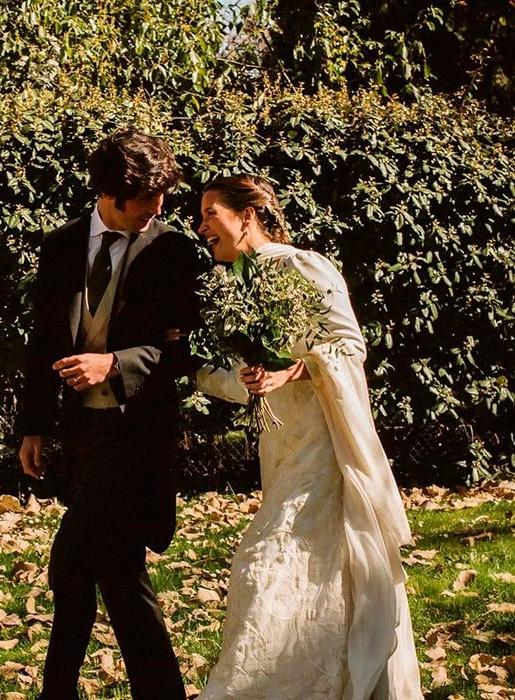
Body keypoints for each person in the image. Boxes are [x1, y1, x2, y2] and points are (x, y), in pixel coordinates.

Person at [193, 174, 423, 699]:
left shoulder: (304, 265)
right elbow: (240, 380)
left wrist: (295, 370)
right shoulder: (236, 287)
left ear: (246, 216)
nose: (201, 225)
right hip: (282, 448)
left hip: (324, 446)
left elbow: (349, 345)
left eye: (211, 213)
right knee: (317, 568)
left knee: (264, 561)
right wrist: (202, 374)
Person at [17, 128, 204, 700]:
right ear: (113, 194)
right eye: (150, 197)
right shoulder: (61, 246)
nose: (160, 207)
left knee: (71, 562)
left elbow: (183, 351)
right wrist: (33, 424)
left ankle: (56, 692)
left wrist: (113, 364)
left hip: (136, 431)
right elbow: (44, 337)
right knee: (120, 576)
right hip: (81, 431)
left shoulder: (174, 250)